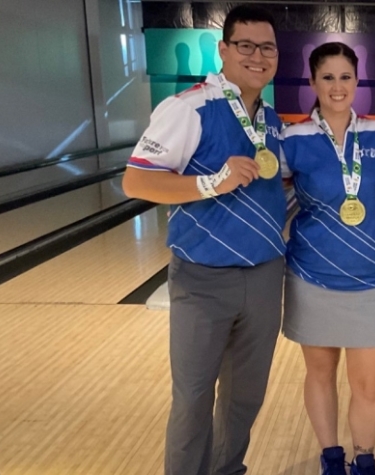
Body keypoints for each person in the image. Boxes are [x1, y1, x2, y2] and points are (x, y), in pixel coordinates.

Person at [121, 5, 286, 475]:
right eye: (246, 46)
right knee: (193, 399)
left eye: (267, 47)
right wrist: (212, 182)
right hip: (202, 278)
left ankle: (227, 469)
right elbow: (136, 181)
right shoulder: (189, 108)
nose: (258, 56)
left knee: (244, 397)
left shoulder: (272, 120)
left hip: (264, 275)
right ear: (224, 50)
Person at [279, 42, 375, 475]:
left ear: (357, 80)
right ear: (312, 82)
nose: (337, 86)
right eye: (327, 77)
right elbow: (274, 196)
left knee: (368, 384)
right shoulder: (293, 140)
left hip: (371, 278)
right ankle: (331, 460)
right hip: (313, 274)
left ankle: (364, 460)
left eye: (345, 76)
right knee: (320, 375)